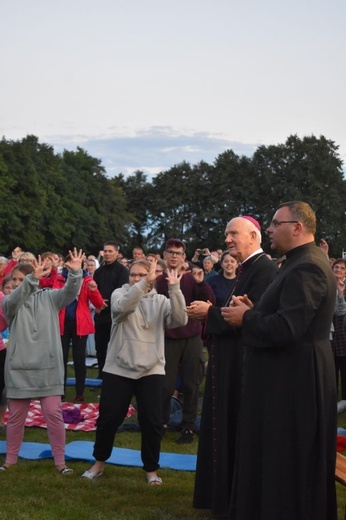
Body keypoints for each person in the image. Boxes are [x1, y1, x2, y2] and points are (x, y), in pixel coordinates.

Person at [222, 202, 337, 520]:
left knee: (290, 463)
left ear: (297, 227)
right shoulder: (297, 263)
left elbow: (288, 328)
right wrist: (254, 312)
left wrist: (247, 319)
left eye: (275, 223)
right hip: (288, 377)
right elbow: (286, 316)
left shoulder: (309, 266)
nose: (269, 229)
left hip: (295, 384)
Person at [189, 216, 277, 517]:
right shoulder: (247, 269)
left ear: (254, 236)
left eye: (233, 234)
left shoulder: (263, 270)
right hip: (228, 363)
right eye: (226, 234)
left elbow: (247, 318)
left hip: (240, 366)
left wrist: (209, 312)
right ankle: (223, 496)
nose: (227, 240)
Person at [82, 259, 187, 484]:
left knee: (152, 422)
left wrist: (175, 289)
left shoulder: (160, 301)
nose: (136, 279)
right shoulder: (121, 293)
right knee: (109, 419)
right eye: (133, 275)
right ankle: (99, 462)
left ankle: (151, 470)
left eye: (142, 275)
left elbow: (179, 320)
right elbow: (120, 310)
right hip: (118, 368)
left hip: (151, 370)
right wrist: (141, 286)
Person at [0, 249, 84, 474]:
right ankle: (10, 460)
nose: (18, 283)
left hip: (48, 366)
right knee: (16, 418)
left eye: (22, 278)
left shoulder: (50, 297)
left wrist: (76, 273)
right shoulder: (9, 302)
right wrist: (31, 279)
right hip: (19, 368)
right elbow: (16, 298)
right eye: (15, 279)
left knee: (54, 416)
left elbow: (69, 293)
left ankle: (60, 462)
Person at [156, 238, 215, 443]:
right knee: (165, 384)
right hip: (168, 337)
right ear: (164, 255)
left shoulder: (192, 277)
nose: (174, 256)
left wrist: (201, 282)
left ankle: (188, 426)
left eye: (178, 253)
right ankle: (162, 422)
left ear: (184, 257)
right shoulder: (158, 280)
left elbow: (210, 301)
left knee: (191, 383)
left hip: (192, 336)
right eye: (170, 252)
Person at [56, 258, 106, 402]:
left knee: (79, 360)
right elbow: (55, 299)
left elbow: (99, 304)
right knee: (61, 360)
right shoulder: (60, 279)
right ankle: (60, 392)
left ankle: (79, 393)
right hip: (62, 323)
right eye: (71, 262)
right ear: (66, 264)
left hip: (80, 324)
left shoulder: (87, 280)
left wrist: (94, 290)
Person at [93, 241, 129, 378]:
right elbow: (94, 290)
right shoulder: (98, 271)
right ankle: (101, 372)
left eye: (110, 251)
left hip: (115, 314)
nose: (107, 254)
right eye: (105, 251)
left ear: (117, 253)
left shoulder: (123, 271)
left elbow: (122, 290)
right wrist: (97, 303)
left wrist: (106, 302)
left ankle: (115, 373)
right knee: (100, 346)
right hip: (100, 313)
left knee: (116, 346)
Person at [330, 258, 346, 404]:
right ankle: (332, 399)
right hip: (331, 335)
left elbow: (341, 312)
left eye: (342, 268)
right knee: (331, 370)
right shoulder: (327, 286)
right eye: (336, 267)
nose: (339, 270)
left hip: (343, 334)